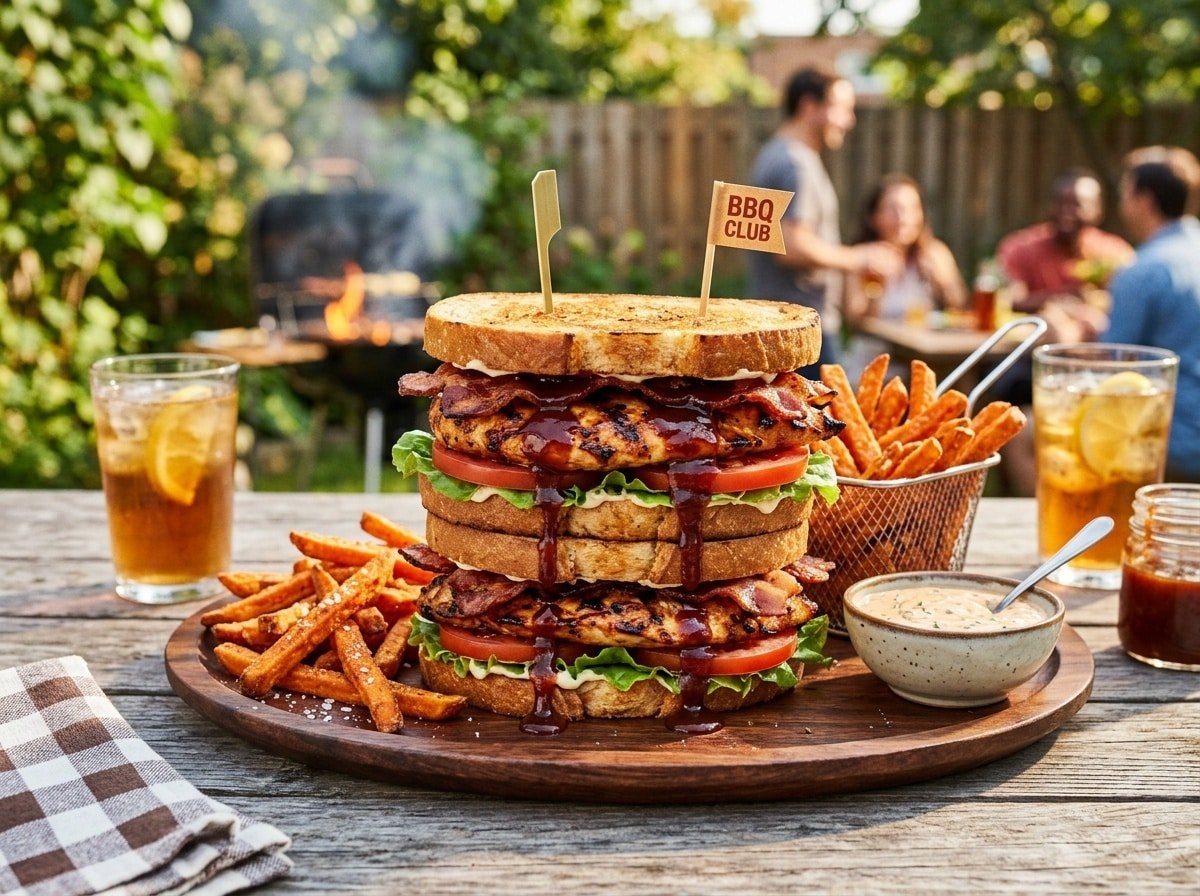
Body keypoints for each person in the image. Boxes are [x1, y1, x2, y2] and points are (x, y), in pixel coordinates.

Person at [745, 66, 902, 373]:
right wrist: (859, 257)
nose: (850, 120)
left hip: (780, 324)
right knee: (830, 418)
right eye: (841, 109)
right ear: (808, 106)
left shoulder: (777, 154)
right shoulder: (795, 163)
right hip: (799, 327)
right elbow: (790, 245)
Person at [1102, 145, 1200, 482]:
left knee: (1030, 435)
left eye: (1125, 193)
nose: (1122, 204)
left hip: (1176, 442)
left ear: (1145, 201)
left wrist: (1071, 337)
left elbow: (1110, 364)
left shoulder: (1143, 270)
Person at [997, 169, 1134, 311]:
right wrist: (1066, 297)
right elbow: (1012, 301)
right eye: (1060, 202)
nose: (1067, 212)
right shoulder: (1021, 247)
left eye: (1077, 204)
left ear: (1098, 210)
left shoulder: (1114, 252)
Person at [844, 173, 968, 326]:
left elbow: (960, 306)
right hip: (875, 348)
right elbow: (854, 321)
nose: (904, 218)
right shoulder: (863, 257)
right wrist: (876, 289)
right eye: (893, 209)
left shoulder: (936, 252)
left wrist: (944, 282)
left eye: (913, 208)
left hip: (921, 347)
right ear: (873, 217)